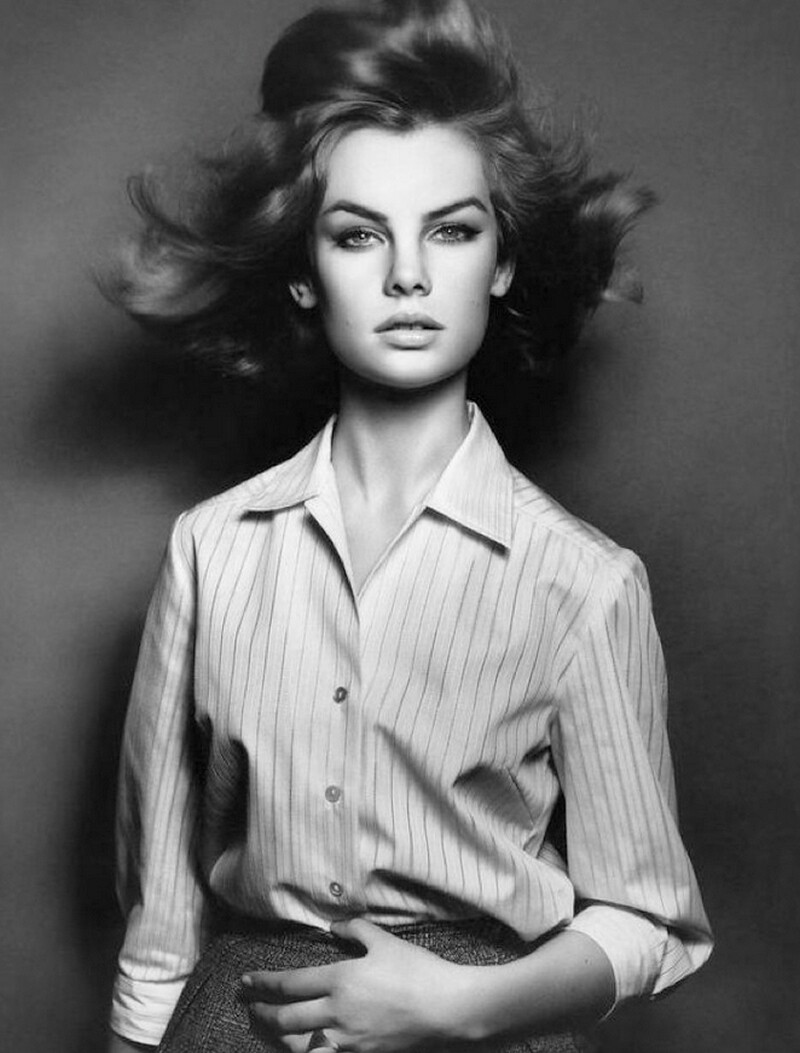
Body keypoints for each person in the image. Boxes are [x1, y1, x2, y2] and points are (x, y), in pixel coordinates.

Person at [106, 2, 712, 1051]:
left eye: (451, 229)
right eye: (358, 234)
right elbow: (159, 928)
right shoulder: (209, 549)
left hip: (487, 1027)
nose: (407, 275)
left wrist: (457, 1005)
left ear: (502, 260)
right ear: (303, 270)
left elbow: (648, 916)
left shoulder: (584, 580)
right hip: (237, 1023)